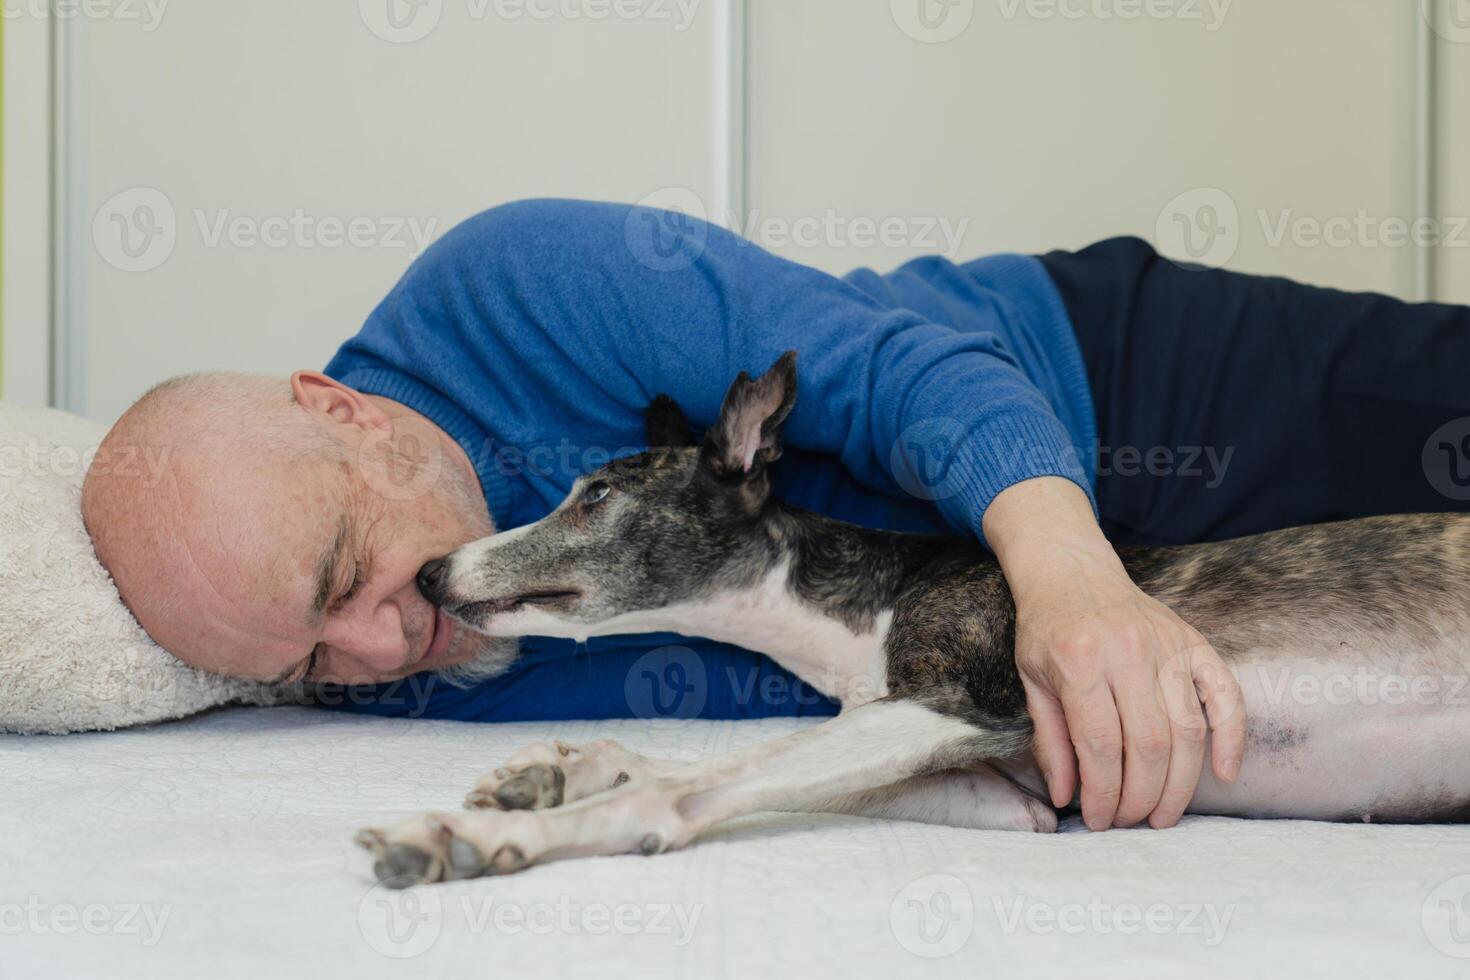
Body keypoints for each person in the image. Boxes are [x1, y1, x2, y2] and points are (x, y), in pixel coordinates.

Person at [81, 198, 1470, 832]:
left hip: (1123, 406)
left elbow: (897, 372)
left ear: (343, 413)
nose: (377, 651)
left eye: (343, 575)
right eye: (307, 665)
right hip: (998, 652)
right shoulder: (382, 666)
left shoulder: (510, 285)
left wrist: (1077, 587)